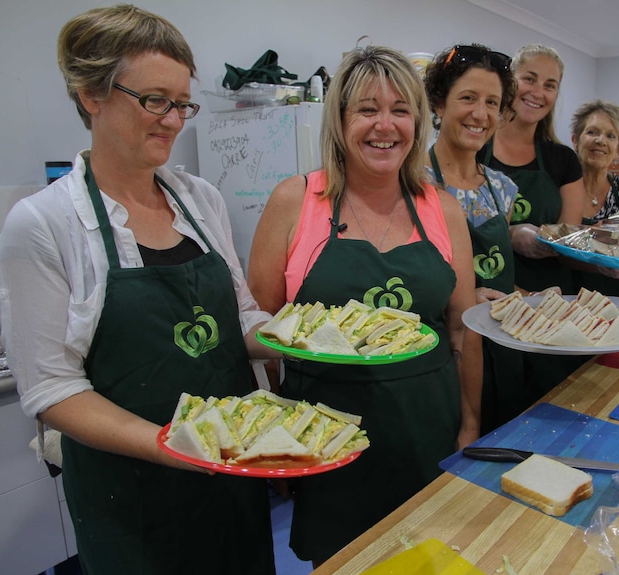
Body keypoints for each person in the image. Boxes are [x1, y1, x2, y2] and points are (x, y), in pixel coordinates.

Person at [0, 5, 277, 574]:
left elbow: (239, 318)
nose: (174, 120)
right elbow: (51, 388)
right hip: (131, 499)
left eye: (182, 103)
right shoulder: (44, 224)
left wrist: (316, 338)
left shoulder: (201, 200)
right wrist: (173, 445)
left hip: (232, 474)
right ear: (90, 94)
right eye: (155, 100)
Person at [247, 45, 481, 566]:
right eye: (367, 110)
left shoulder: (441, 208)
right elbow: (260, 333)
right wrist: (276, 437)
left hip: (428, 427)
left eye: (401, 110)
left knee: (431, 558)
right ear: (339, 121)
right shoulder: (295, 201)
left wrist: (469, 423)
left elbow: (463, 331)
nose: (385, 125)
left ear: (418, 123)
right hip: (326, 435)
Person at [423, 44, 528, 434]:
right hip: (447, 353)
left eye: (492, 103)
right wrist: (466, 298)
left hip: (503, 348)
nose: (480, 114)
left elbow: (497, 276)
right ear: (439, 104)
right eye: (468, 98)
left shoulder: (503, 189)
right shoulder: (414, 183)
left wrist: (528, 299)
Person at [480, 44, 586, 296]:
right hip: (486, 294)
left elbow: (568, 245)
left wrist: (609, 265)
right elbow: (453, 233)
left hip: (550, 299)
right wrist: (510, 234)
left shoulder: (563, 160)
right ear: (509, 81)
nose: (538, 92)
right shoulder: (476, 147)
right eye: (529, 79)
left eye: (550, 85)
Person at [570, 99, 619, 297]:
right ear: (575, 140)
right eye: (592, 132)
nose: (601, 141)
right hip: (565, 298)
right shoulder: (563, 187)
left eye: (610, 136)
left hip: (616, 302)